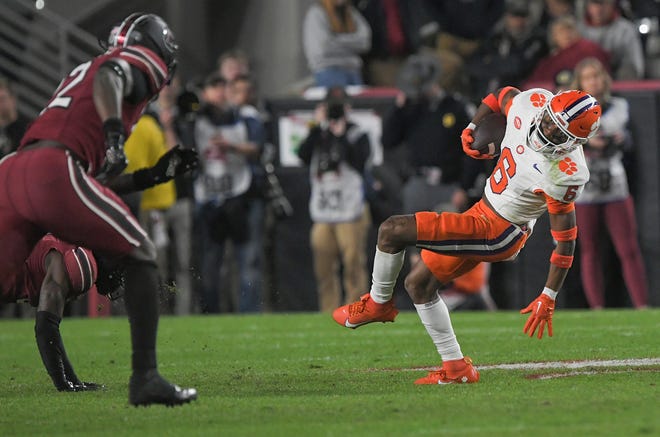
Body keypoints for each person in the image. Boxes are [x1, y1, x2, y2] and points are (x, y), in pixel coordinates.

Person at [333, 85, 602, 384]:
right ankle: (457, 368)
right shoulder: (530, 105)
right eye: (549, 119)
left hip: (500, 231)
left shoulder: (565, 173)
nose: (548, 129)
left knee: (391, 230)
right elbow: (499, 96)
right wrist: (473, 125)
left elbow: (566, 241)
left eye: (558, 132)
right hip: (480, 210)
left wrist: (548, 296)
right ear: (546, 107)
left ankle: (378, 303)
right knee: (419, 284)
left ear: (576, 142)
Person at [0, 13, 198, 406]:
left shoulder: (81, 76)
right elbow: (113, 75)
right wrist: (113, 133)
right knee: (142, 252)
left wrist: (147, 178)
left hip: (13, 171)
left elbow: (85, 182)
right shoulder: (139, 62)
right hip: (50, 169)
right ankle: (146, 377)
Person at [571, 57, 648, 309]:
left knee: (628, 247)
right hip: (585, 184)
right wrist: (586, 142)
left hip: (615, 181)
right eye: (588, 76)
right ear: (580, 83)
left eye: (597, 75)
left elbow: (630, 142)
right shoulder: (572, 111)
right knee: (590, 249)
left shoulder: (620, 106)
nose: (594, 80)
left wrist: (619, 139)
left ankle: (641, 305)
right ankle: (597, 308)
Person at [297, 86, 372, 312]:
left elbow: (360, 163)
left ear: (348, 108)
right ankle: (329, 311)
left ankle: (356, 310)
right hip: (323, 210)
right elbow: (302, 155)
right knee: (323, 267)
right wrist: (318, 128)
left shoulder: (358, 133)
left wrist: (341, 137)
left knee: (352, 265)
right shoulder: (318, 133)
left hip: (350, 210)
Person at [194, 73, 264, 313]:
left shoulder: (244, 117)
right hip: (209, 196)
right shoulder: (196, 119)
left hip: (239, 194)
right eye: (214, 87)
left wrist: (230, 146)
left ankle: (249, 313)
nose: (220, 93)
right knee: (210, 263)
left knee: (247, 261)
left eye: (223, 87)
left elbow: (257, 148)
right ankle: (210, 314)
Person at [523, 15, 610, 88]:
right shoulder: (551, 61)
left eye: (569, 30)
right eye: (561, 31)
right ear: (554, 37)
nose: (566, 35)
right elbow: (536, 82)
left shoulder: (589, 49)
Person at [303, 0, 372, 87]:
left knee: (358, 100)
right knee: (336, 100)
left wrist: (335, 39)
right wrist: (353, 45)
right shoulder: (316, 13)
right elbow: (323, 47)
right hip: (328, 71)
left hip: (354, 72)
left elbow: (365, 43)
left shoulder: (351, 12)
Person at [578, 0, 645, 80]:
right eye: (594, 4)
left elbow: (636, 67)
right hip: (584, 85)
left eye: (603, 4)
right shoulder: (578, 29)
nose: (598, 9)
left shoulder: (626, 29)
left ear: (612, 5)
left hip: (617, 85)